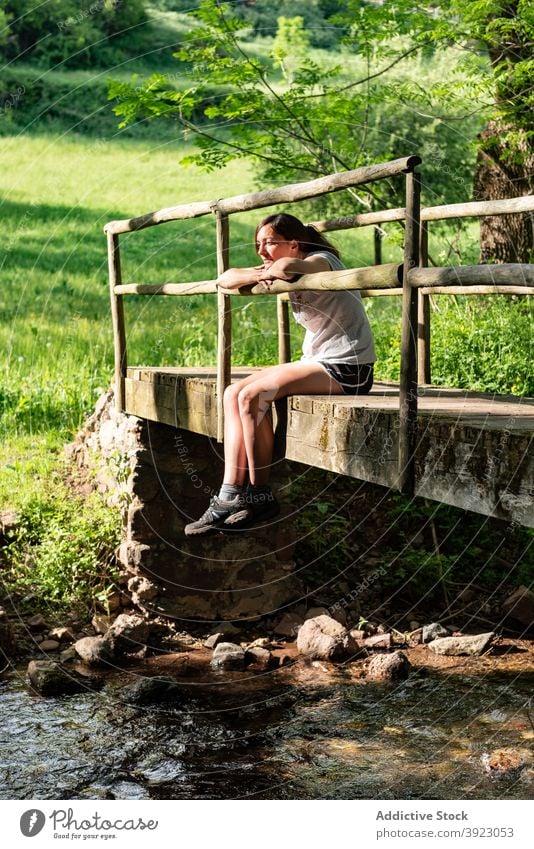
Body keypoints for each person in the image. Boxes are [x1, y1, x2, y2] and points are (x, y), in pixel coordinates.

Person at [184, 212, 376, 535]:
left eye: (269, 243)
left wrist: (273, 268)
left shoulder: (322, 260)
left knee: (254, 396)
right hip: (317, 360)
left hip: (349, 366)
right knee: (233, 393)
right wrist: (263, 270)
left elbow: (289, 268)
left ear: (295, 243)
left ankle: (259, 494)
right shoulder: (281, 265)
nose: (261, 251)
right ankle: (230, 494)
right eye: (257, 244)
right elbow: (226, 279)